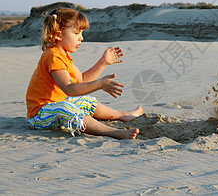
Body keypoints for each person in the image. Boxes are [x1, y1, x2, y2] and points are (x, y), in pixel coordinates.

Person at [26, 8, 142, 139]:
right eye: (76, 33)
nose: (81, 38)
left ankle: (122, 115)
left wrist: (103, 62)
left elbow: (81, 80)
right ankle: (112, 132)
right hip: (40, 115)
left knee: (85, 101)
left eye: (81, 33)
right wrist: (99, 84)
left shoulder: (63, 54)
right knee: (66, 107)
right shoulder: (53, 56)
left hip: (55, 104)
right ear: (58, 35)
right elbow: (69, 89)